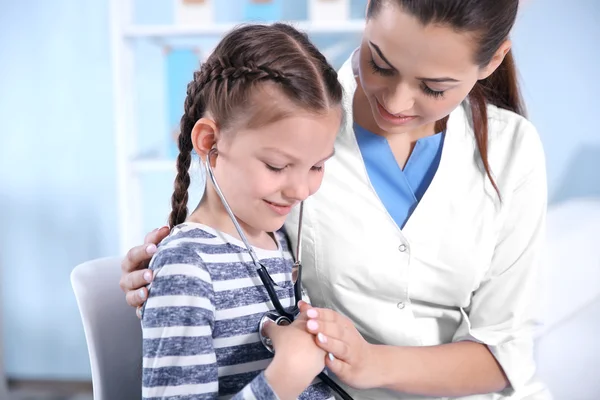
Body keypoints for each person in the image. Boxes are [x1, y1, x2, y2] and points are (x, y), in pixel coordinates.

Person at [122, 1, 550, 399]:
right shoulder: (297, 115)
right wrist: (164, 272)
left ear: (491, 62)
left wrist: (370, 361)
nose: (396, 103)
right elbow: (223, 234)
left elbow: (506, 351)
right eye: (379, 64)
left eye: (434, 87)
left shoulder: (513, 149)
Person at [138, 23, 345, 400]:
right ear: (210, 143)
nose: (300, 190)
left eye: (316, 166)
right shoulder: (188, 267)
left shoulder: (277, 237)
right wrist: (285, 377)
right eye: (277, 166)